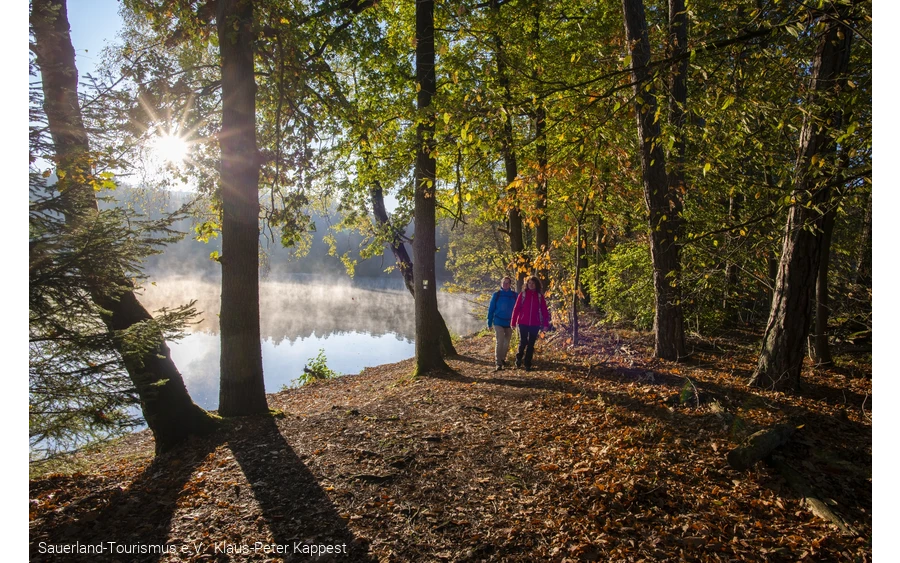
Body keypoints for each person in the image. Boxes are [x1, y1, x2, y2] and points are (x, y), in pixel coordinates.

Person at [510, 275, 551, 372]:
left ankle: (528, 363)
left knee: (531, 344)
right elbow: (516, 309)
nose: (531, 285)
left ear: (536, 284)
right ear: (526, 284)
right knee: (523, 341)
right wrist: (513, 322)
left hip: (535, 323)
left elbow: (545, 311)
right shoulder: (523, 294)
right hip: (522, 322)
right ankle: (519, 358)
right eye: (529, 283)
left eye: (533, 283)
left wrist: (546, 324)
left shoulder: (540, 296)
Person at [486, 276, 517, 371]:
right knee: (500, 341)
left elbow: (518, 309)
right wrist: (489, 323)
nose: (505, 284)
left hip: (510, 322)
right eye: (504, 282)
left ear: (510, 284)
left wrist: (516, 321)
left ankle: (503, 358)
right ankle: (498, 362)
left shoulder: (514, 295)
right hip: (498, 321)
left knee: (506, 342)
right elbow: (491, 309)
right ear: (501, 284)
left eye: (507, 283)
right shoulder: (497, 295)